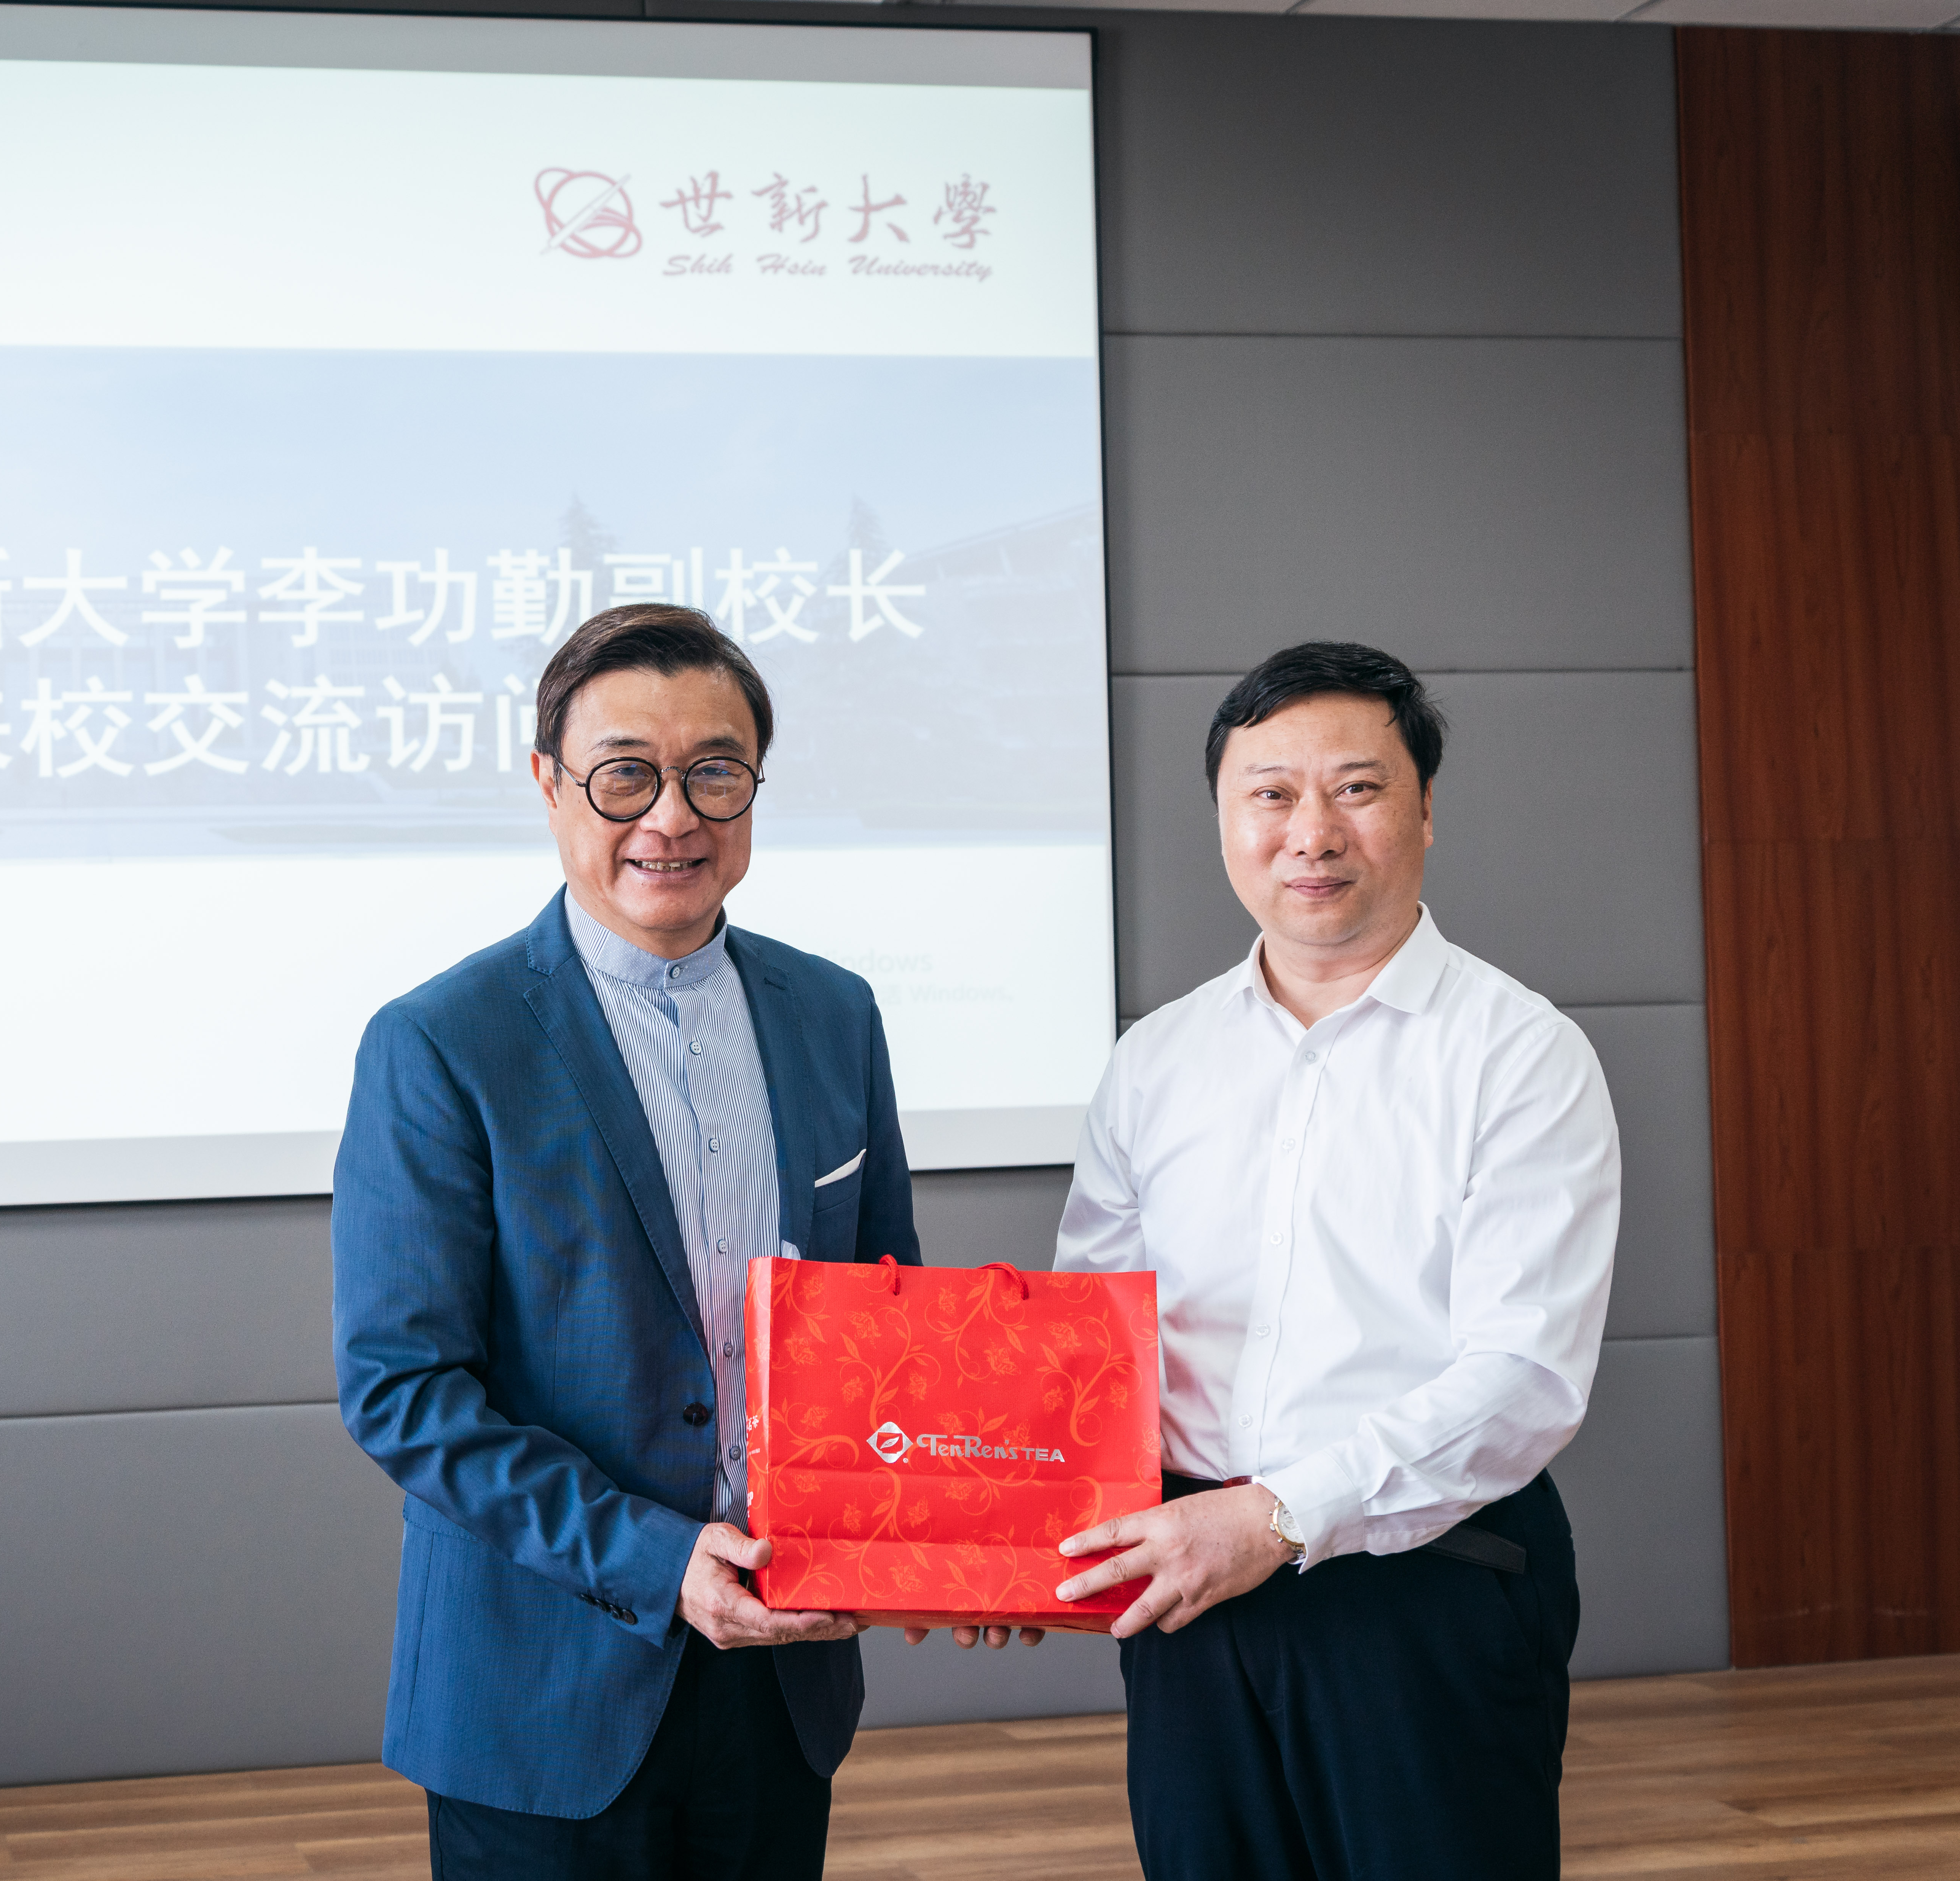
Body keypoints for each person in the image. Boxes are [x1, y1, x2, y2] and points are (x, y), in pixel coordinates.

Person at [331, 604, 919, 1879]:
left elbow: (889, 1320)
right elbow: (404, 1392)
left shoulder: (835, 1013)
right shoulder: (440, 1043)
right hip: (542, 1682)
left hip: (784, 1664)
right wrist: (661, 1562)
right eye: (624, 776)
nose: (671, 817)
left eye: (714, 772)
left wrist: (944, 1543)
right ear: (548, 783)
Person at [1048, 641, 1619, 1879]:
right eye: (1269, 794)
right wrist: (1009, 1542)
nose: (1310, 832)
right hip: (1190, 1582)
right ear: (1222, 820)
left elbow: (1522, 1376)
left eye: (1355, 789)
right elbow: (1094, 1335)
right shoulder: (1155, 1060)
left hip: (1423, 1583)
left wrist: (1275, 1517)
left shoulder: (1520, 1056)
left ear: (1423, 810)